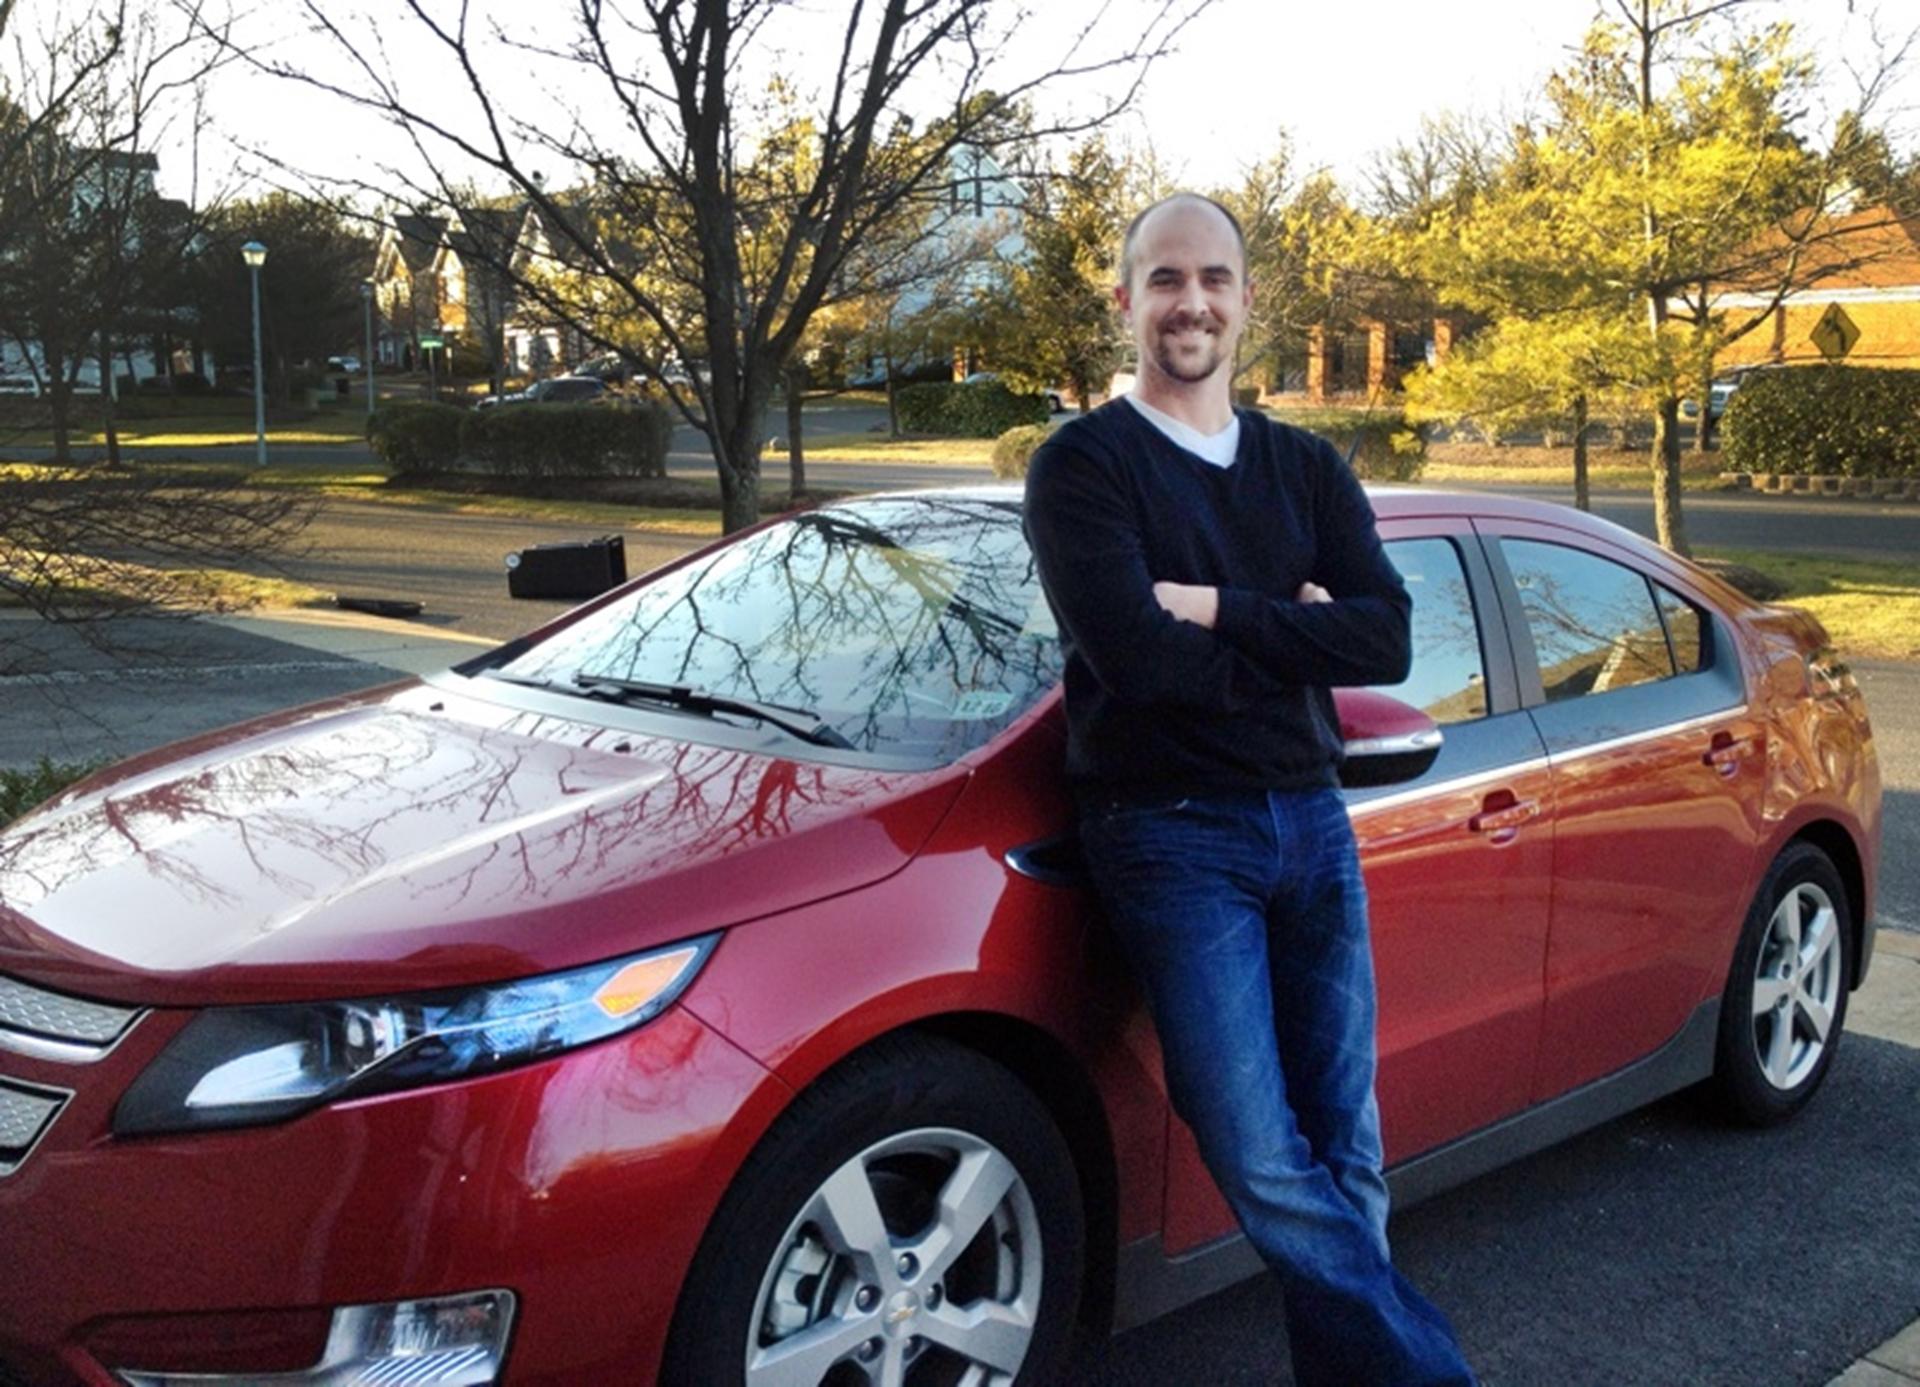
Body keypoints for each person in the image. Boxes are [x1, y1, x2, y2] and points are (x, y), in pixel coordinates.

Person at [1022, 193, 1477, 1387]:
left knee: (1347, 1137)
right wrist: (1295, 636)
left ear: (1245, 299)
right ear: (1125, 300)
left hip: (1312, 822)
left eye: (1213, 278)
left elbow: (1383, 639)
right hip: (1169, 836)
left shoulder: (1303, 465)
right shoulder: (1083, 466)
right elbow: (1136, 661)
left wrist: (1218, 608)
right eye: (1166, 279)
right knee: (1258, 1150)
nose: (1192, 302)